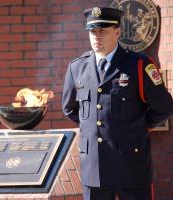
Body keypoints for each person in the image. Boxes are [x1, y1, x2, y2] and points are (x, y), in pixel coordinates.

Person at [62, 7, 173, 200]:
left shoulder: (138, 65)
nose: (97, 36)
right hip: (94, 168)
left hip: (131, 166)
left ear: (117, 32)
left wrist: (138, 126)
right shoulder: (77, 68)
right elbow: (70, 109)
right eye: (92, 31)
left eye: (103, 31)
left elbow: (164, 106)